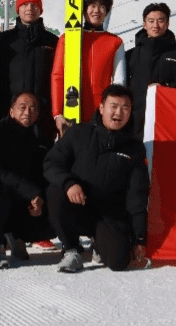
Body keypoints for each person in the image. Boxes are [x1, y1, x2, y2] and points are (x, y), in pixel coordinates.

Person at [43, 85, 150, 272]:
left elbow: (137, 195)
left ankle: (99, 244)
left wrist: (139, 237)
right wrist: (70, 184)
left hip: (108, 214)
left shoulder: (134, 148)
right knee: (56, 190)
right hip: (77, 204)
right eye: (114, 106)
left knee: (119, 262)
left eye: (126, 107)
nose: (119, 112)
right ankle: (70, 249)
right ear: (101, 108)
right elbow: (51, 164)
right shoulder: (79, 133)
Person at [0, 92, 57, 269]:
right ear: (11, 111)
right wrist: (32, 192)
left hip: (27, 203)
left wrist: (40, 197)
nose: (27, 112)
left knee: (56, 199)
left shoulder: (43, 139)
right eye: (22, 107)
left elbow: (49, 171)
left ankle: (18, 236)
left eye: (32, 108)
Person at [0, 0, 59, 135]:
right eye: (25, 4)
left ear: (40, 9)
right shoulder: (3, 41)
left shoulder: (53, 42)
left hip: (41, 123)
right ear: (17, 9)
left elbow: (59, 81)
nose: (30, 8)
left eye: (34, 5)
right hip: (5, 120)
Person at [51, 0, 126, 136]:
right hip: (71, 110)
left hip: (101, 113)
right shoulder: (67, 39)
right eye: (92, 5)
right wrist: (57, 114)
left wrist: (113, 112)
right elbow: (58, 76)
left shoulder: (115, 42)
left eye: (102, 6)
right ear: (84, 10)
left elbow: (119, 81)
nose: (96, 10)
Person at [126, 3, 176, 137]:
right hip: (136, 121)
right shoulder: (130, 55)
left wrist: (165, 88)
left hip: (170, 120)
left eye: (160, 21)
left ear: (167, 24)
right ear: (144, 24)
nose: (155, 25)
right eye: (151, 21)